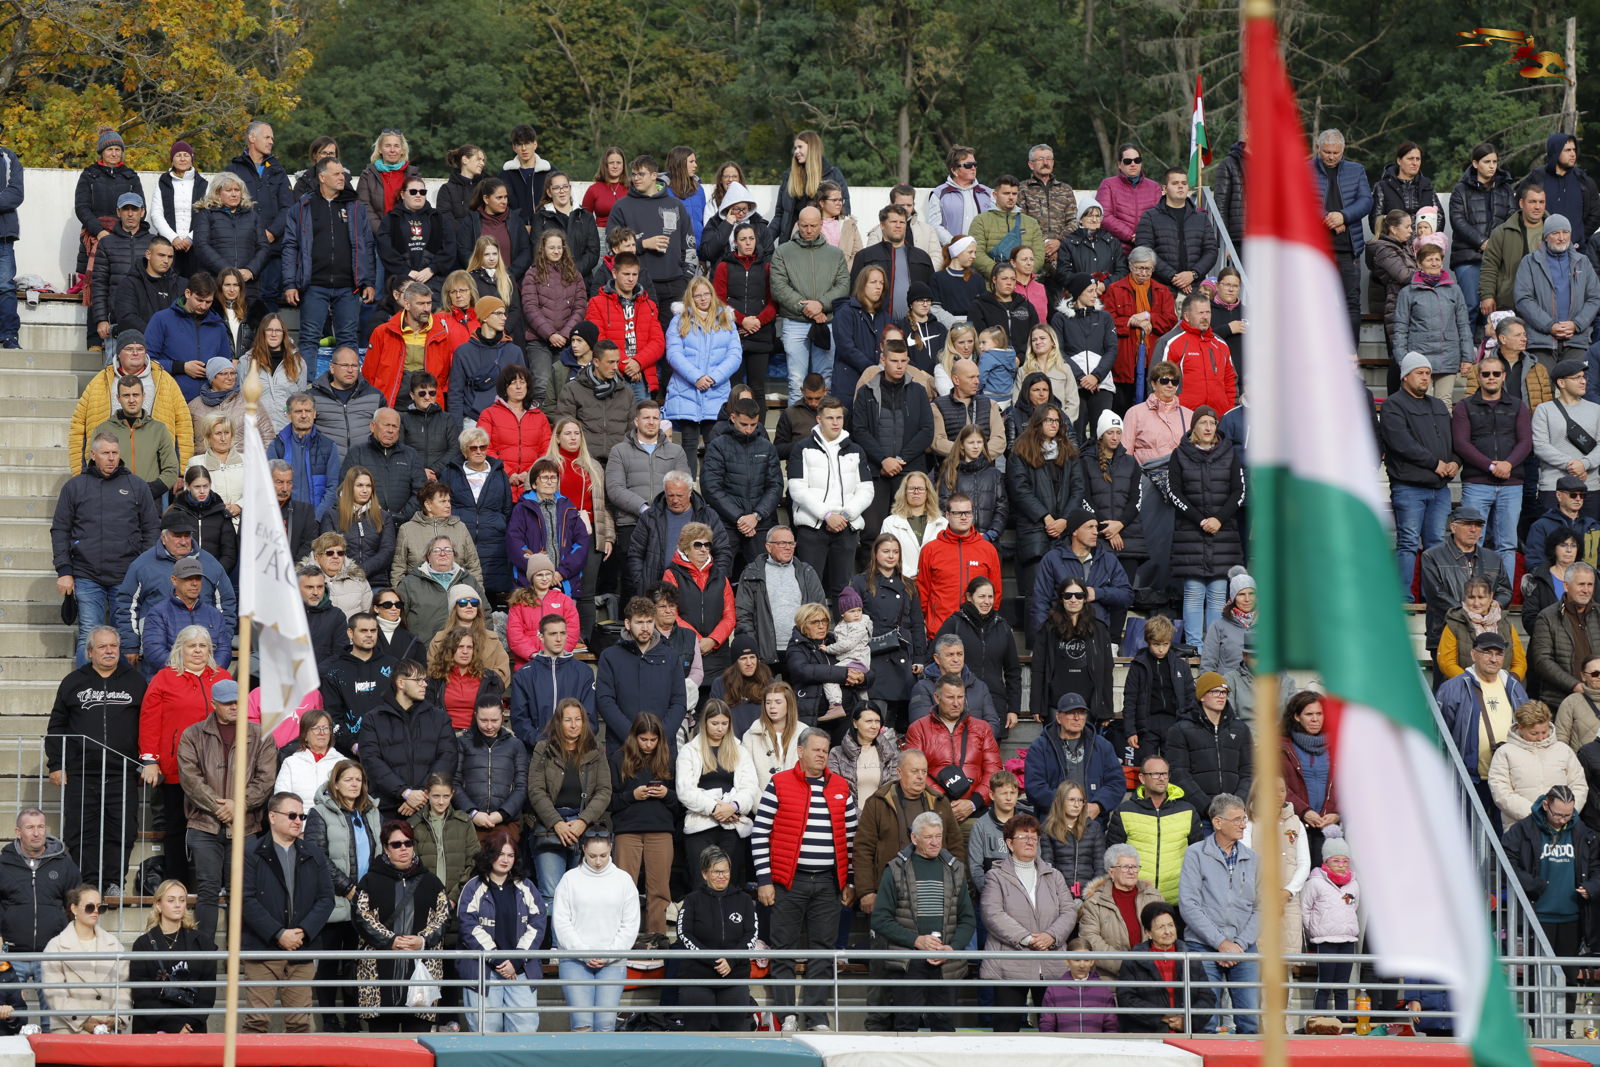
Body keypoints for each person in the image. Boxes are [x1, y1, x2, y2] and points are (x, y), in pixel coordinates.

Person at [751, 727, 857, 1031]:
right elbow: (760, 833)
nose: (822, 755)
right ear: (800, 752)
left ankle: (817, 1017)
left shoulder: (841, 787)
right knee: (783, 949)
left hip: (828, 883)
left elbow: (852, 837)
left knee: (823, 951)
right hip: (788, 882)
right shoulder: (779, 783)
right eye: (816, 750)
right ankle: (787, 1016)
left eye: (825, 750)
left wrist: (850, 881)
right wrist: (764, 879)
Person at [176, 677, 276, 943]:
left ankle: (238, 955)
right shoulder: (192, 734)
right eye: (228, 703)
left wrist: (238, 805)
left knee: (240, 892)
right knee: (207, 890)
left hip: (245, 826)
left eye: (238, 702)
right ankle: (204, 956)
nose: (234, 707)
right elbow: (190, 778)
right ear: (214, 704)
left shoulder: (261, 735)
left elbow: (265, 779)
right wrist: (221, 807)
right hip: (203, 824)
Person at [52, 433, 159, 665]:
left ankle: (121, 687)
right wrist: (64, 571)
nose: (111, 458)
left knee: (126, 638)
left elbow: (151, 529)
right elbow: (60, 530)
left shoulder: (137, 485)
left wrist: (142, 565)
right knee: (89, 635)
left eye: (115, 453)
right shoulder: (74, 487)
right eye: (105, 453)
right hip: (86, 574)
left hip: (126, 575)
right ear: (93, 455)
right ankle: (85, 686)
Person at [1502, 786, 1600, 1029]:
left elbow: (1597, 866)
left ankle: (1565, 1029)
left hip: (1572, 916)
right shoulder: (1523, 829)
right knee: (1537, 976)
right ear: (1546, 805)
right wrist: (1533, 885)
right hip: (1538, 915)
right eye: (1558, 814)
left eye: (1568, 814)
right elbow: (1507, 861)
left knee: (1568, 977)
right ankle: (1537, 1029)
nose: (1563, 819)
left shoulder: (1582, 831)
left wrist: (1591, 887)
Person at [869, 809, 975, 1031]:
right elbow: (880, 919)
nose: (935, 842)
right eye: (928, 837)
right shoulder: (895, 869)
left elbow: (967, 919)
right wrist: (916, 941)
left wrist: (952, 948)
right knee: (906, 1025)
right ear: (914, 838)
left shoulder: (956, 868)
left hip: (946, 962)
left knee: (944, 1026)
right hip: (908, 962)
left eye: (938, 836)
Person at [239, 791, 335, 1034]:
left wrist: (302, 931)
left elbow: (326, 899)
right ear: (272, 817)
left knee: (300, 1024)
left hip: (301, 950)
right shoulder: (250, 853)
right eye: (292, 815)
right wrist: (278, 933)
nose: (298, 821)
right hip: (262, 950)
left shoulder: (314, 853)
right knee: (256, 1023)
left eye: (302, 816)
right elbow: (244, 899)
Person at [980, 812, 1079, 1031]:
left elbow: (1069, 911)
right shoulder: (995, 876)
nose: (1030, 841)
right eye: (1023, 836)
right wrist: (1026, 938)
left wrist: (1051, 936)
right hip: (1009, 965)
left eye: (1034, 837)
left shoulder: (1054, 875)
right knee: (1006, 1030)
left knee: (1054, 1030)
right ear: (1009, 844)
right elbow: (992, 913)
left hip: (1051, 964)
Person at [353, 820, 451, 1032]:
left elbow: (444, 917)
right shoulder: (370, 881)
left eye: (408, 843)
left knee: (416, 1044)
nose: (403, 848)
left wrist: (422, 940)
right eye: (396, 844)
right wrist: (390, 940)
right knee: (383, 1045)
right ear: (386, 848)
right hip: (379, 978)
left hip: (420, 977)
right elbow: (361, 916)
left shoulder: (431, 882)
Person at [1180, 793, 1262, 1034]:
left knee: (1250, 1020)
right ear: (1217, 822)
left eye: (1244, 819)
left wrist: (1238, 944)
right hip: (1203, 946)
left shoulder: (1254, 859)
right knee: (1206, 1020)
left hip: (1244, 948)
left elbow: (1263, 908)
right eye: (1236, 819)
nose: (1243, 825)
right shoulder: (1195, 854)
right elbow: (1189, 904)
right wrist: (1221, 943)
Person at [281, 157, 377, 355]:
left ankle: (347, 376)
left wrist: (368, 281)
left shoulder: (355, 207)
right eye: (337, 174)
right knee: (309, 338)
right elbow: (290, 247)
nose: (343, 177)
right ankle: (308, 378)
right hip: (313, 285)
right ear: (322, 177)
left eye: (343, 173)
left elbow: (367, 245)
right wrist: (290, 284)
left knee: (348, 339)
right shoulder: (303, 207)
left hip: (349, 287)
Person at [455, 830, 547, 1034]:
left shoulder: (527, 887)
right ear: (489, 855)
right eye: (500, 854)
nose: (505, 860)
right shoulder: (473, 887)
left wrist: (516, 960)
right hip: (484, 971)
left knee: (524, 1030)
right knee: (486, 1032)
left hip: (520, 971)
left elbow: (538, 923)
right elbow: (467, 925)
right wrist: (496, 958)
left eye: (510, 855)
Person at [551, 831, 640, 1033]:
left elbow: (630, 924)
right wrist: (584, 953)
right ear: (583, 850)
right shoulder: (569, 879)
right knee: (582, 1024)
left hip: (613, 961)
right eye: (592, 856)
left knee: (606, 1024)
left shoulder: (623, 880)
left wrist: (609, 954)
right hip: (574, 960)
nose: (598, 861)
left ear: (611, 849)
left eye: (603, 855)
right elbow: (561, 922)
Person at [789, 396, 875, 598]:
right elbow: (797, 489)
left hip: (846, 527)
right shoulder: (802, 448)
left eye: (839, 418)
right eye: (830, 418)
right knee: (810, 588)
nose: (835, 423)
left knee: (843, 589)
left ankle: (840, 622)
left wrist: (844, 516)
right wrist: (827, 515)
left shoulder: (856, 450)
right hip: (812, 528)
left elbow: (867, 490)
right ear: (819, 419)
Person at [0, 809, 81, 1025]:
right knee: (9, 1019)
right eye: (30, 827)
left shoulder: (64, 863)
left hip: (51, 955)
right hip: (10, 956)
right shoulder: (3, 864)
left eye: (41, 827)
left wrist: (69, 937)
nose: (36, 833)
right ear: (18, 832)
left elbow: (76, 903)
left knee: (53, 1022)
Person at [1008, 404, 1084, 624]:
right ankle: (1036, 643)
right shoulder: (1021, 451)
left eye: (1057, 420)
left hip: (1064, 532)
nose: (1054, 424)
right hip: (1034, 531)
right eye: (1049, 420)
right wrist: (1046, 517)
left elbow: (1078, 488)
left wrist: (1065, 520)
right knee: (1036, 597)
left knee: (1065, 594)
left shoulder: (1069, 451)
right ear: (1038, 422)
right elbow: (1020, 490)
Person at [607, 713, 679, 941]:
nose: (648, 745)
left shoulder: (668, 758)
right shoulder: (618, 759)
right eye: (643, 739)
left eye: (653, 740)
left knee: (659, 891)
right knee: (623, 889)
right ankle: (623, 940)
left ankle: (657, 941)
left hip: (661, 830)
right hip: (627, 831)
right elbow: (608, 801)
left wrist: (666, 794)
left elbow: (681, 802)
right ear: (634, 737)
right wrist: (632, 795)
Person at [606, 154, 697, 329]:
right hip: (638, 285)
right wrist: (642, 244)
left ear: (654, 175)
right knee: (642, 336)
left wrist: (685, 280)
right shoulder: (621, 207)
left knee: (674, 338)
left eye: (641, 174)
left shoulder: (675, 205)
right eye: (634, 174)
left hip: (675, 285)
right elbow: (612, 248)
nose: (636, 178)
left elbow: (689, 246)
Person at [362, 660, 458, 822]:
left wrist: (421, 794)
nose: (425, 685)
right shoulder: (373, 719)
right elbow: (371, 761)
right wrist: (404, 792)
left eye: (425, 680)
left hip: (430, 806)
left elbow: (448, 756)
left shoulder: (439, 717)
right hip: (387, 809)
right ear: (401, 683)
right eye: (418, 680)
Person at [773, 207, 851, 403]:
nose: (808, 230)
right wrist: (809, 308)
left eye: (813, 226)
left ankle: (824, 420)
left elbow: (843, 286)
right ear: (797, 225)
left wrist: (821, 304)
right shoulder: (783, 252)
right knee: (796, 381)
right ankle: (796, 422)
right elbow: (779, 287)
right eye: (804, 225)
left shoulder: (835, 254)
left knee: (825, 380)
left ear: (821, 224)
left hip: (826, 322)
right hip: (795, 322)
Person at [1106, 754, 1204, 904]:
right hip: (1136, 898)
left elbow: (1198, 855)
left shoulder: (1187, 810)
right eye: (1155, 774)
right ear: (1142, 778)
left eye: (1165, 774)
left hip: (1178, 900)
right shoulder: (1125, 811)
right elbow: (1113, 856)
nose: (1161, 778)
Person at [1027, 507, 1133, 637]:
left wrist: (1097, 593)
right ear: (1075, 531)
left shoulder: (1108, 560)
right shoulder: (1052, 559)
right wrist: (1042, 638)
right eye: (1090, 527)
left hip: (1096, 636)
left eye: (1096, 527)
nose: (1095, 532)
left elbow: (1127, 596)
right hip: (1060, 635)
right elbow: (1040, 602)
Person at [1310, 129, 1374, 342]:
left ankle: (1351, 353)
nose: (1331, 157)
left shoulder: (1357, 170)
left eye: (1335, 153)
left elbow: (1366, 201)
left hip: (1349, 249)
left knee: (1351, 302)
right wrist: (1329, 219)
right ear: (1318, 148)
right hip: (1316, 250)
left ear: (1343, 150)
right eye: (1326, 152)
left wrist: (1344, 216)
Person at [935, 576, 1021, 733]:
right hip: (960, 702)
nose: (987, 602)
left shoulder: (1003, 627)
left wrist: (1014, 709)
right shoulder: (955, 623)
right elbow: (934, 658)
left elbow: (1013, 671)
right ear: (969, 597)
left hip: (995, 704)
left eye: (990, 597)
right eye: (981, 596)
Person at [130, 879, 215, 1033]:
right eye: (171, 900)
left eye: (182, 900)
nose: (177, 905)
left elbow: (207, 992)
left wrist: (189, 1025)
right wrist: (174, 1026)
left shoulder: (202, 942)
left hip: (192, 1030)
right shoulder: (142, 944)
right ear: (158, 905)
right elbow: (142, 994)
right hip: (153, 1030)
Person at [1394, 239, 1473, 403]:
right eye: (1429, 259)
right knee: (1422, 401)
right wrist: (1402, 360)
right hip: (1419, 358)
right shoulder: (1407, 292)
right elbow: (1400, 329)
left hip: (1449, 356)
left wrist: (1467, 357)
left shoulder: (1454, 290)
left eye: (1437, 259)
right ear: (1419, 263)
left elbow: (1463, 325)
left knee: (1444, 401)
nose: (1434, 263)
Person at [1167, 672, 1253, 821]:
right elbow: (1179, 774)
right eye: (1215, 691)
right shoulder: (1180, 730)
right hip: (1198, 815)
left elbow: (1249, 771)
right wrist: (1209, 808)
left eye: (1224, 692)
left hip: (1235, 816)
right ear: (1201, 696)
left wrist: (1236, 805)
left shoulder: (1240, 729)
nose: (1221, 696)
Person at [1031, 577, 1117, 726]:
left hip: (1089, 704)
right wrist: (1036, 705)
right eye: (1068, 595)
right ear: (1061, 598)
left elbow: (1106, 670)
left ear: (1085, 599)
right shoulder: (1048, 628)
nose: (1073, 599)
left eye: (1079, 595)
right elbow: (1038, 668)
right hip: (1055, 703)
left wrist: (1107, 709)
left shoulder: (1099, 629)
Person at [1119, 899, 1215, 1032]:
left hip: (1186, 1031)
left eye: (1170, 925)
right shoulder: (1133, 960)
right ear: (1148, 932)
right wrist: (1162, 1015)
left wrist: (1186, 1022)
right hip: (1149, 1032)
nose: (1167, 931)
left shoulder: (1190, 957)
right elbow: (1126, 999)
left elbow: (1207, 997)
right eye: (1160, 927)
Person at [1515, 214, 1600, 365]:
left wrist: (1577, 324)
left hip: (1576, 340)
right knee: (1543, 381)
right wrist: (1549, 326)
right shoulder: (1529, 262)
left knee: (1576, 381)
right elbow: (1523, 299)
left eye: (1565, 232)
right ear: (1546, 237)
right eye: (1555, 233)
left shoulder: (1583, 262)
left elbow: (1595, 297)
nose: (1562, 238)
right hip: (1541, 341)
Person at [42, 885, 129, 1033]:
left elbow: (124, 987)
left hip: (107, 1027)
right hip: (69, 1028)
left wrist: (118, 1017)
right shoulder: (55, 946)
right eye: (89, 907)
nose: (95, 911)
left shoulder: (114, 945)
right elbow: (55, 994)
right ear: (74, 908)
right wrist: (84, 1020)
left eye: (100, 907)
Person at [1025, 692, 1123, 819]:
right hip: (1053, 821)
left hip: (1092, 822)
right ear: (1058, 717)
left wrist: (1098, 805)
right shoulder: (1041, 746)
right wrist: (1064, 805)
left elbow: (1116, 782)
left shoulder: (1102, 746)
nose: (1077, 718)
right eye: (1070, 713)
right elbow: (1034, 786)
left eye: (1081, 713)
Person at [1489, 700, 1588, 826]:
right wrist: (1535, 814)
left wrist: (1565, 814)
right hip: (1522, 827)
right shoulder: (1504, 753)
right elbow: (1501, 793)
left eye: (1544, 732)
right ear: (1520, 728)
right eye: (1534, 733)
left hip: (1562, 826)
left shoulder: (1563, 750)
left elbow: (1579, 785)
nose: (1541, 738)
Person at [1132, 168, 1218, 295]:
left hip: (1195, 289)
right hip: (1161, 289)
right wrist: (1174, 277)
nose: (1180, 186)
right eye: (1175, 183)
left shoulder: (1201, 218)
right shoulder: (1150, 217)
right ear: (1165, 188)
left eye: (1184, 183)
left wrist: (1193, 274)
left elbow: (1211, 251)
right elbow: (1145, 252)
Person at [1532, 359, 1600, 516]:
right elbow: (1540, 446)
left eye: (1584, 377)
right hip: (1554, 487)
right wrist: (1572, 465)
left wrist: (1584, 464)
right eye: (1577, 378)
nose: (1583, 381)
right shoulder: (1544, 410)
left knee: (1590, 531)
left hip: (1589, 487)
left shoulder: (1596, 410)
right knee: (1554, 531)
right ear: (1561, 383)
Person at [1529, 563, 1600, 708]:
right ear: (1566, 586)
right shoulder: (1547, 617)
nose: (1586, 590)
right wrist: (1575, 686)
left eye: (1590, 585)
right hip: (1559, 702)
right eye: (1581, 584)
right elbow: (1542, 661)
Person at [407, 773, 478, 902]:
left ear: (452, 794)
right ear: (427, 794)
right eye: (436, 796)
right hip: (423, 898)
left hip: (457, 899)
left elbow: (473, 862)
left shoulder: (464, 823)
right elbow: (410, 866)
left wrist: (454, 897)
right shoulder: (414, 825)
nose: (441, 801)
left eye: (446, 796)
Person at [772, 131, 850, 240]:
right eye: (795, 148)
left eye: (800, 147)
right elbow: (780, 216)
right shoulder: (789, 176)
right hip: (793, 242)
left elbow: (844, 213)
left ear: (812, 148)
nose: (796, 152)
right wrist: (764, 241)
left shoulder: (833, 175)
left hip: (825, 243)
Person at [1039, 781, 1108, 895]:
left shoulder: (1094, 828)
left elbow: (1100, 865)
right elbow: (1047, 865)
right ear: (1060, 801)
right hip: (1059, 893)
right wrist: (1058, 893)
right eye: (1071, 800)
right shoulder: (1048, 828)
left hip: (1090, 894)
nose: (1077, 805)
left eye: (1080, 800)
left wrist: (1093, 892)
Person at [1038, 939, 1120, 1033]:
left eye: (1086, 960)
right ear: (1067, 960)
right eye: (1077, 960)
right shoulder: (1054, 990)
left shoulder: (1103, 990)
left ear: (1092, 961)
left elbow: (1111, 1026)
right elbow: (1047, 1025)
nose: (1082, 965)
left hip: (1095, 1042)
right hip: (1065, 1042)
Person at [1096, 144, 1162, 252]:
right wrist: (1131, 236)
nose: (1133, 164)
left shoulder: (1154, 187)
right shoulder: (1108, 184)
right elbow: (1104, 216)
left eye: (1137, 160)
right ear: (1119, 164)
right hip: (1116, 249)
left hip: (1148, 249)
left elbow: (1160, 218)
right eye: (1127, 161)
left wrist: (1144, 237)